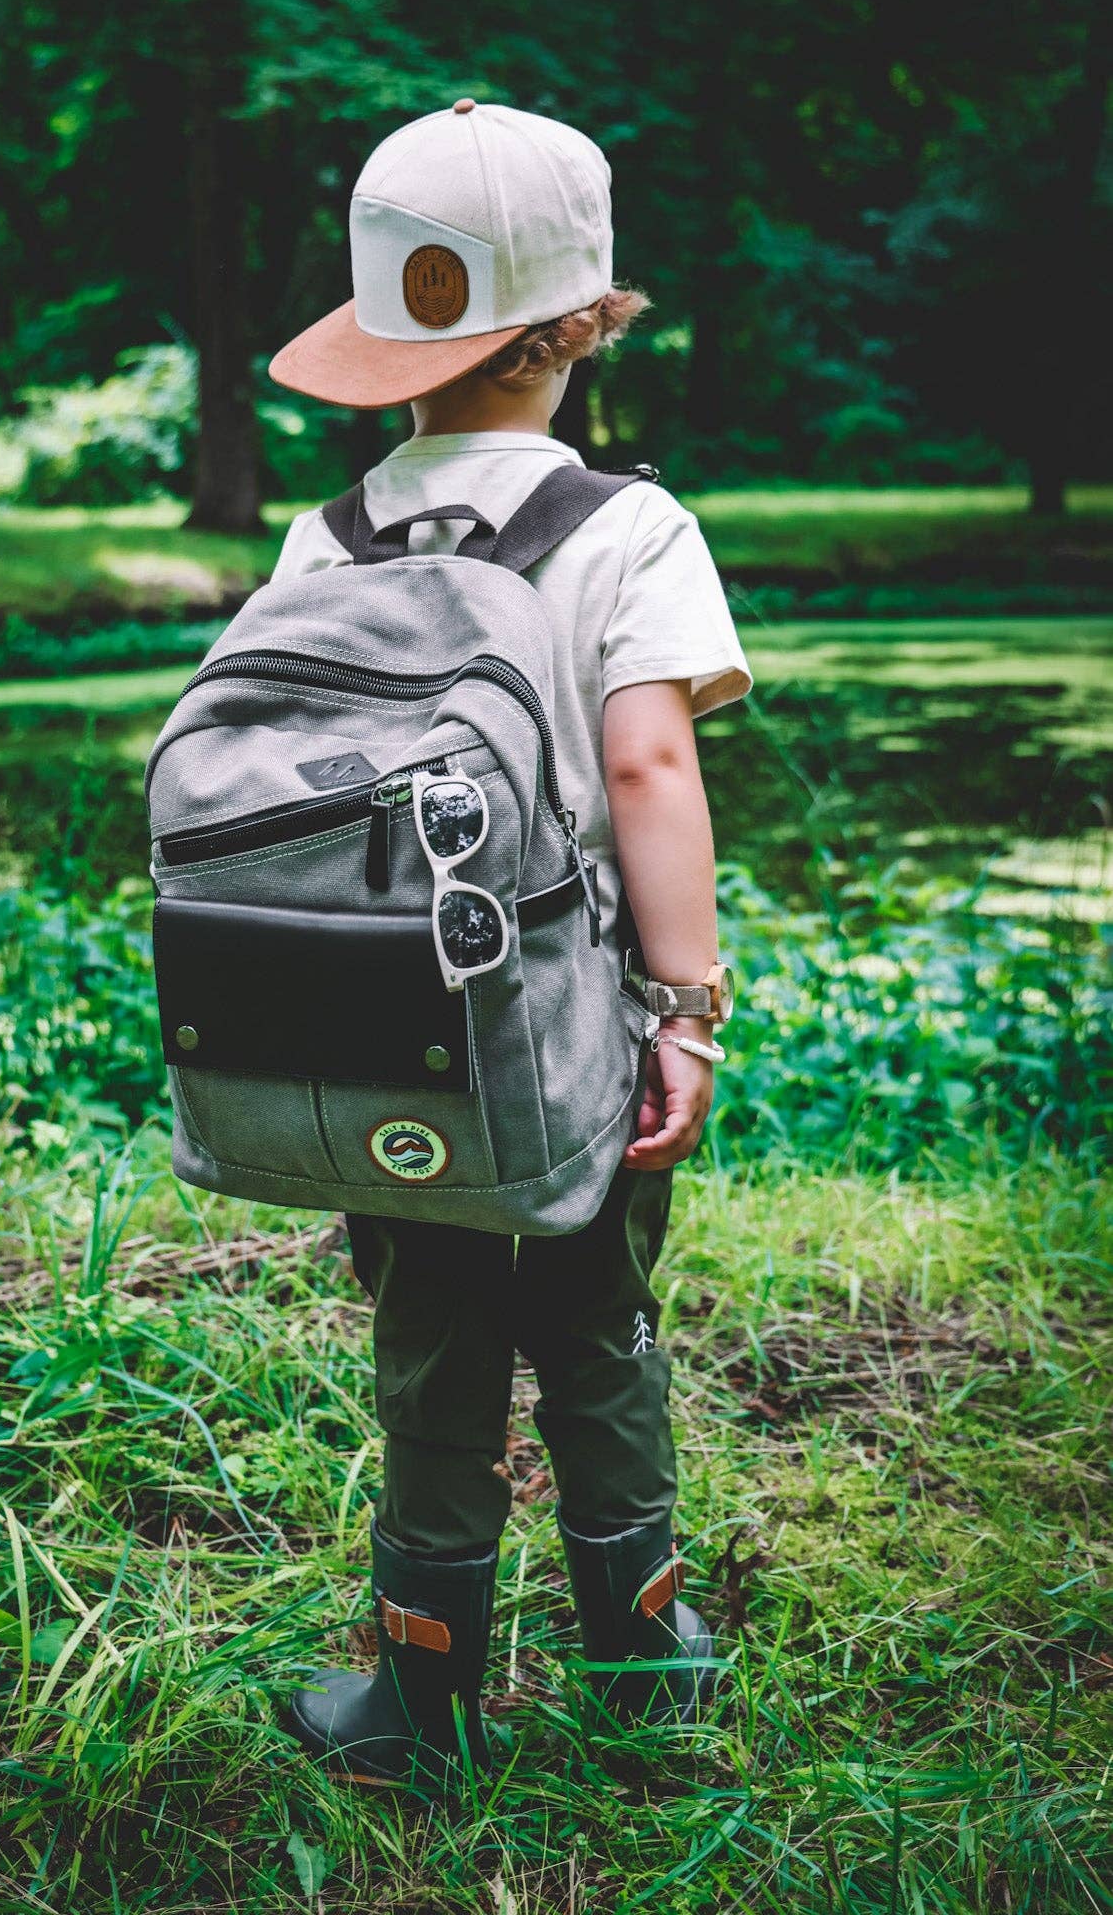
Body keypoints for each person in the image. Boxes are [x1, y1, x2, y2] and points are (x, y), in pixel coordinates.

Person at [264, 100, 751, 1783]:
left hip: (391, 1037)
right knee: (601, 1325)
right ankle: (641, 1656)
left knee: (429, 1347)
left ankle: (422, 1692)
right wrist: (685, 1010)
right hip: (579, 1035)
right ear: (575, 326)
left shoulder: (319, 542)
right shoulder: (631, 529)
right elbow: (647, 764)